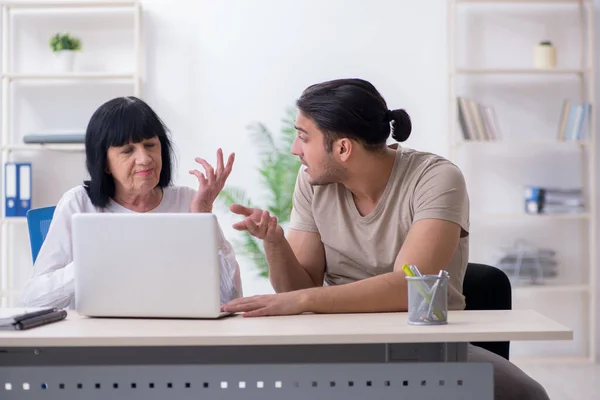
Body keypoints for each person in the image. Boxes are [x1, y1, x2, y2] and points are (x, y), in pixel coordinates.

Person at [222, 79, 549, 400]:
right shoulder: (313, 183)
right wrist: (276, 243)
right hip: (338, 343)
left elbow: (409, 286)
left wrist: (307, 300)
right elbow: (297, 290)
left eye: (303, 137)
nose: (295, 149)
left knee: (528, 394)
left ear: (343, 148)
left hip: (424, 348)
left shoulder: (435, 178)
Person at [19, 96, 243, 309]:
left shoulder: (188, 201)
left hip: (174, 334)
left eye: (150, 145)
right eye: (127, 150)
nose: (145, 159)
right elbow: (33, 300)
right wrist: (90, 264)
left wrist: (203, 218)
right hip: (99, 339)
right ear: (105, 163)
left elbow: (231, 297)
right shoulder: (78, 203)